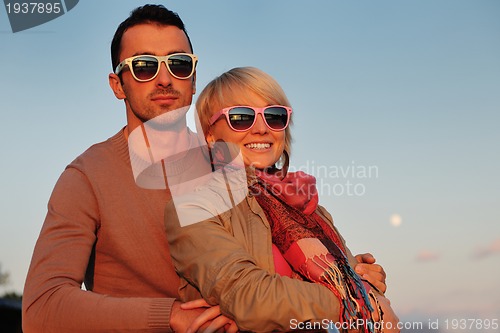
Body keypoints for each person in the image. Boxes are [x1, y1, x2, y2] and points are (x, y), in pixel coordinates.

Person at [23, 4, 387, 333]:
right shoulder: (87, 177)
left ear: (194, 79)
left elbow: (270, 265)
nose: (164, 79)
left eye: (178, 64)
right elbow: (42, 308)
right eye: (145, 66)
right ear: (118, 84)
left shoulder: (238, 161)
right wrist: (169, 316)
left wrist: (348, 274)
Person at [165, 67, 400, 332]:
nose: (262, 129)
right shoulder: (194, 207)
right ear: (210, 135)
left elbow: (356, 285)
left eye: (274, 116)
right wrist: (359, 302)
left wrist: (367, 279)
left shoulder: (308, 207)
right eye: (241, 118)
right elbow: (249, 297)